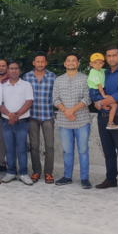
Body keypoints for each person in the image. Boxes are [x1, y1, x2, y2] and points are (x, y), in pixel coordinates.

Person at [91, 45, 118, 195]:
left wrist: (100, 103)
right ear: (106, 58)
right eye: (109, 56)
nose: (111, 58)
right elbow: (95, 89)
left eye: (114, 55)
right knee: (108, 150)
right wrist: (97, 101)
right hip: (103, 117)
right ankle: (111, 178)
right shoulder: (102, 73)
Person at [52, 54, 93, 189]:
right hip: (64, 121)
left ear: (78, 63)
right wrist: (66, 111)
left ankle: (84, 178)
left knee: (83, 151)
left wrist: (72, 110)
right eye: (68, 61)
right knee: (67, 151)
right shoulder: (59, 80)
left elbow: (88, 98)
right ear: (64, 64)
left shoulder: (85, 79)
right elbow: (55, 99)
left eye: (73, 61)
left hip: (82, 120)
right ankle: (67, 176)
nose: (71, 63)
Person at [24, 51, 57, 184]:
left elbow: (56, 96)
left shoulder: (52, 77)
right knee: (34, 145)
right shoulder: (27, 77)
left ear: (46, 63)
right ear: (34, 63)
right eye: (38, 61)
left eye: (42, 61)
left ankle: (48, 172)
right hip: (32, 115)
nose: (40, 64)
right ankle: (36, 171)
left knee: (49, 146)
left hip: (48, 115)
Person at [0, 61, 34, 186]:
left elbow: (29, 102)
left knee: (22, 149)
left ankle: (23, 173)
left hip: (22, 122)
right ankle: (11, 172)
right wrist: (9, 115)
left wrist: (16, 116)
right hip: (6, 122)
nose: (13, 70)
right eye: (11, 68)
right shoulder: (2, 86)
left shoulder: (26, 85)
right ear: (8, 71)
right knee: (9, 149)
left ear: (19, 70)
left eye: (16, 68)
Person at [88, 53, 118, 130]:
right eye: (95, 63)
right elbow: (99, 84)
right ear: (91, 64)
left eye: (100, 63)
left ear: (103, 64)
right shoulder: (93, 72)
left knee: (110, 105)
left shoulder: (102, 70)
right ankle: (110, 123)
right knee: (114, 105)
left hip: (99, 91)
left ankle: (102, 106)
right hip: (95, 92)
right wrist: (103, 95)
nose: (98, 65)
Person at [0, 58, 9, 171]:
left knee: (12, 142)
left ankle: (12, 165)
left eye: (3, 65)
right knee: (0, 141)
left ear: (7, 67)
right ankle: (1, 164)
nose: (1, 68)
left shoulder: (13, 78)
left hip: (11, 115)